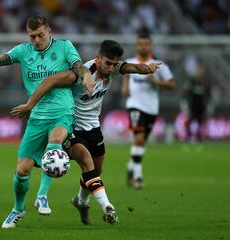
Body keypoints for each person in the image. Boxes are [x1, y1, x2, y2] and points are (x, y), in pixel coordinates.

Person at [0, 15, 95, 228]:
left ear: (49, 30)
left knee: (55, 142)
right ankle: (18, 210)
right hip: (36, 118)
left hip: (62, 112)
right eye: (32, 36)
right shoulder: (23, 51)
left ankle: (42, 196)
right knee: (22, 171)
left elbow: (78, 66)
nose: (37, 40)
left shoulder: (64, 47)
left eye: (40, 35)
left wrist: (86, 75)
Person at [11, 40, 160, 224]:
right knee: (86, 162)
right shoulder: (81, 73)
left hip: (93, 127)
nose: (111, 68)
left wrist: (148, 68)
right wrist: (31, 105)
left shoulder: (113, 68)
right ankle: (108, 207)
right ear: (98, 59)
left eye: (115, 64)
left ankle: (81, 201)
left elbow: (133, 68)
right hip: (72, 127)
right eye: (108, 64)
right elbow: (51, 80)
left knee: (96, 171)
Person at [121, 33, 175, 189]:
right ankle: (138, 177)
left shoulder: (159, 65)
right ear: (137, 45)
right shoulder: (130, 63)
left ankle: (131, 166)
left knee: (141, 141)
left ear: (150, 45)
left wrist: (156, 82)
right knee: (138, 138)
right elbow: (125, 76)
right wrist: (125, 87)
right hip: (134, 105)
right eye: (140, 44)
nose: (143, 46)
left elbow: (172, 85)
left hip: (151, 108)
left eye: (145, 44)